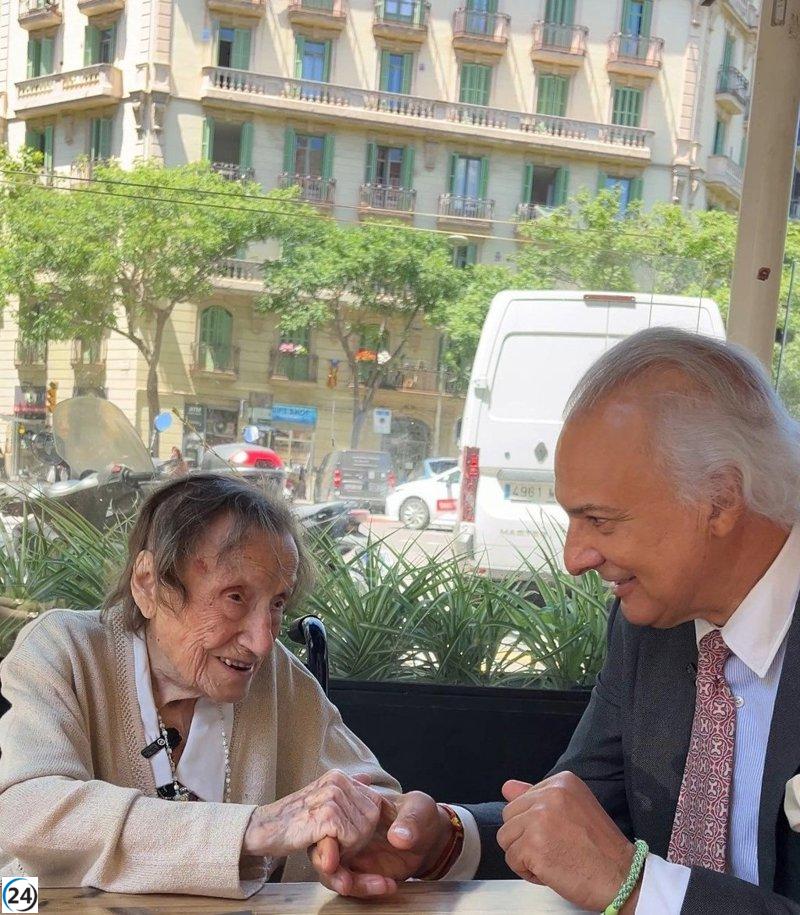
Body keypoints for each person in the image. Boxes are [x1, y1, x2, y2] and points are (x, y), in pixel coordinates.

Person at [324, 327, 800, 912]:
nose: (575, 559)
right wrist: (442, 841)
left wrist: (638, 889)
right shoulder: (651, 625)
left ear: (721, 498)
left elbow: (613, 871)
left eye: (600, 520)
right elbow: (575, 820)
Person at [0, 474, 468, 898]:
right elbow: (28, 810)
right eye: (235, 598)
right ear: (149, 584)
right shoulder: (65, 650)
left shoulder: (278, 677)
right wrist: (254, 828)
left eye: (278, 603)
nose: (263, 641)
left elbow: (361, 789)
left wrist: (383, 828)